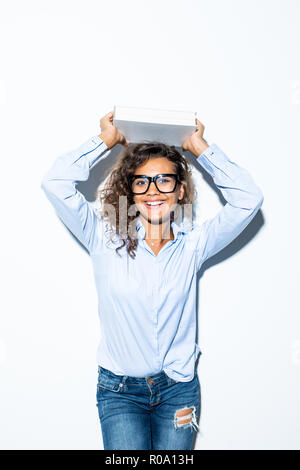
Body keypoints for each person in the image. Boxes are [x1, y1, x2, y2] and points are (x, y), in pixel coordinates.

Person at [41, 111, 264, 450]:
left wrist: (198, 146)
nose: (153, 190)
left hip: (180, 391)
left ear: (180, 189)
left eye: (165, 180)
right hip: (119, 394)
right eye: (142, 181)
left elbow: (249, 200)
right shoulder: (104, 239)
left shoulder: (193, 246)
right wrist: (107, 140)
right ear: (130, 191)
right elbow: (54, 182)